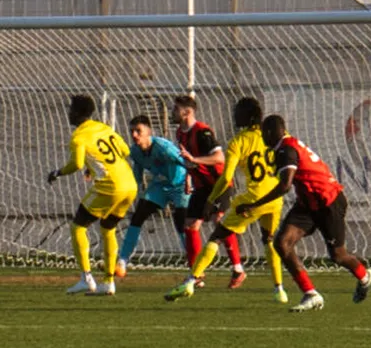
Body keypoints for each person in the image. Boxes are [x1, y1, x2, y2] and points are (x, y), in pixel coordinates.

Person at [236, 114, 371, 312]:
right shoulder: (284, 147)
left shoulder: (287, 150)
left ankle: (364, 276)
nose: (262, 139)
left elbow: (285, 185)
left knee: (338, 255)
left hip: (329, 201)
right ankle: (311, 294)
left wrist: (253, 205)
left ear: (269, 133)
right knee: (281, 243)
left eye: (263, 134)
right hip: (308, 203)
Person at [166, 97, 288, 303]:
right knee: (268, 240)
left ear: (246, 116)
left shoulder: (238, 142)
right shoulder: (274, 137)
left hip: (252, 199)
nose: (234, 116)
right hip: (275, 198)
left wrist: (210, 200)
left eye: (237, 112)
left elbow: (225, 177)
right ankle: (279, 290)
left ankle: (191, 281)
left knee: (216, 235)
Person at [47, 94, 137, 296]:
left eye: (71, 109)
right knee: (108, 229)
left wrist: (58, 172)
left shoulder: (79, 136)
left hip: (109, 187)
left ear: (78, 113)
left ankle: (86, 278)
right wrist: (93, 164)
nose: (68, 113)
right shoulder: (104, 128)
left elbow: (77, 164)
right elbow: (124, 150)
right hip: (129, 185)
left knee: (78, 226)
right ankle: (108, 282)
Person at [172, 95, 246, 287]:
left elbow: (219, 158)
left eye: (175, 109)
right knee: (190, 225)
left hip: (218, 184)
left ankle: (238, 269)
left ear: (187, 112)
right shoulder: (180, 133)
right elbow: (189, 159)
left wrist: (195, 161)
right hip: (201, 186)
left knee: (218, 222)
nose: (172, 112)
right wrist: (189, 176)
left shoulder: (202, 132)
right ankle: (197, 274)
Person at [115, 115, 190, 277]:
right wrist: (132, 191)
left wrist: (190, 179)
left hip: (180, 184)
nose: (134, 135)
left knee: (181, 222)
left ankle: (195, 266)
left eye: (138, 131)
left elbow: (187, 162)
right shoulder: (135, 151)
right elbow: (137, 172)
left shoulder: (164, 147)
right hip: (159, 185)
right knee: (138, 215)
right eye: (132, 131)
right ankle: (122, 261)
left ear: (149, 132)